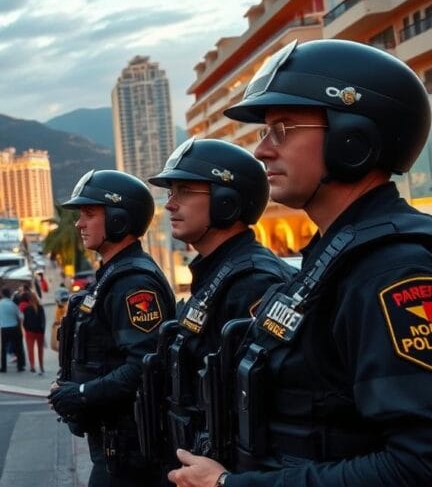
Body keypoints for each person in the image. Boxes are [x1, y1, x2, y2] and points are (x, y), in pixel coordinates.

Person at [167, 39, 432, 487]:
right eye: (265, 131)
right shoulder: (331, 259)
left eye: (283, 128)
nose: (262, 150)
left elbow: (418, 466)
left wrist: (229, 486)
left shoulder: (392, 270)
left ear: (353, 139)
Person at [139, 138, 297, 468]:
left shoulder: (254, 282)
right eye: (170, 193)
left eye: (183, 191)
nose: (170, 204)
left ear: (227, 202)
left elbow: (265, 406)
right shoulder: (216, 275)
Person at [48, 169, 176, 487]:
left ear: (119, 220)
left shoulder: (134, 283)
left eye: (89, 214)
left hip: (130, 453)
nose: (79, 223)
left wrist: (81, 394)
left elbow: (144, 366)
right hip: (114, 446)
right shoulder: (112, 276)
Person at [0, 288, 25, 373]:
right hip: (14, 327)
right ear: (9, 294)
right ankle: (20, 366)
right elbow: (21, 316)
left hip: (4, 328)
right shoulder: (12, 304)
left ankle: (3, 367)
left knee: (3, 348)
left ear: (2, 294)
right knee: (18, 347)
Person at [21, 288, 46, 375]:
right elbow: (43, 320)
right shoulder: (40, 308)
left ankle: (32, 366)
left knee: (30, 350)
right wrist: (42, 331)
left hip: (30, 332)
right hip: (39, 332)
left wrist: (27, 329)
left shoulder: (27, 309)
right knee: (40, 350)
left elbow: (24, 322)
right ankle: (41, 366)